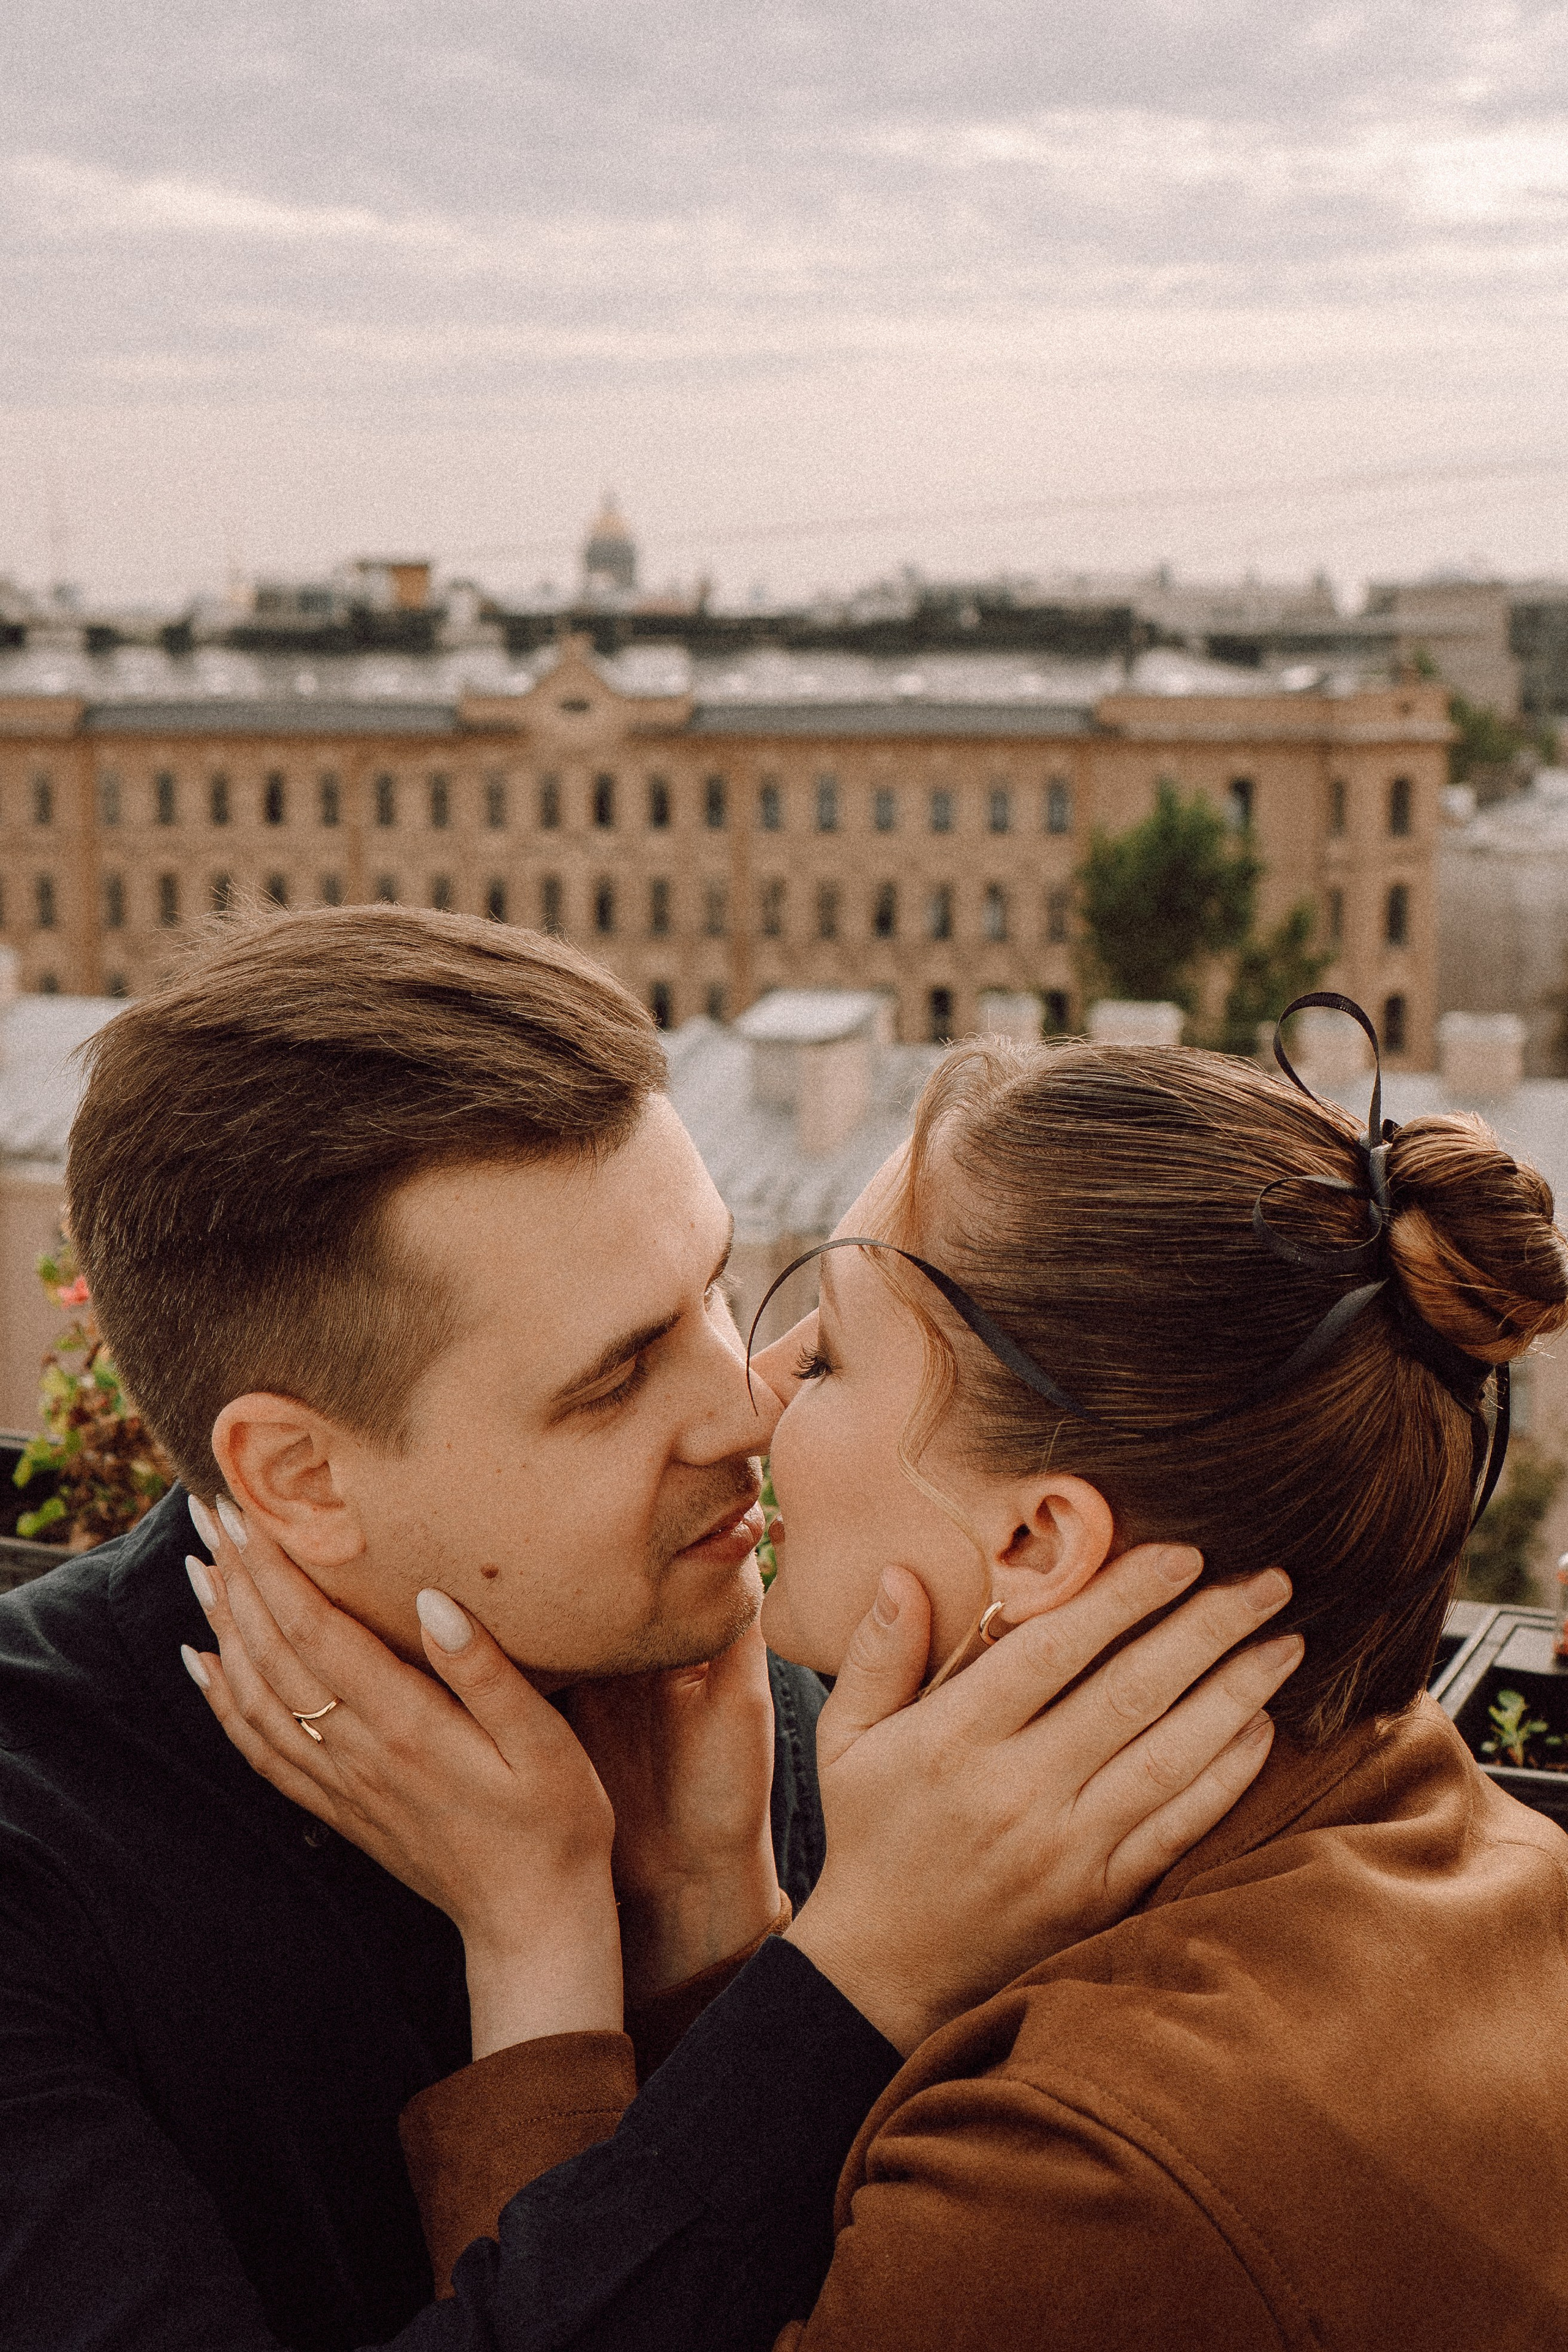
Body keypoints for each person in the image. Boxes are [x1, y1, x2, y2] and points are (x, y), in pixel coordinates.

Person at [197, 995, 1568, 2350]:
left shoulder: (1094, 2175)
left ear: (1033, 1539)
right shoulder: (1459, 1863)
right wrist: (714, 1930)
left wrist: (539, 1936)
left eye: (836, 1348)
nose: (759, 1388)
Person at [0, 906, 1283, 2352]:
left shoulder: (775, 1687)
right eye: (615, 1378)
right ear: (300, 1477)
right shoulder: (37, 1864)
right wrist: (844, 1987)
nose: (747, 1403)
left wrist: (701, 1933)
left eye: (716, 1289)